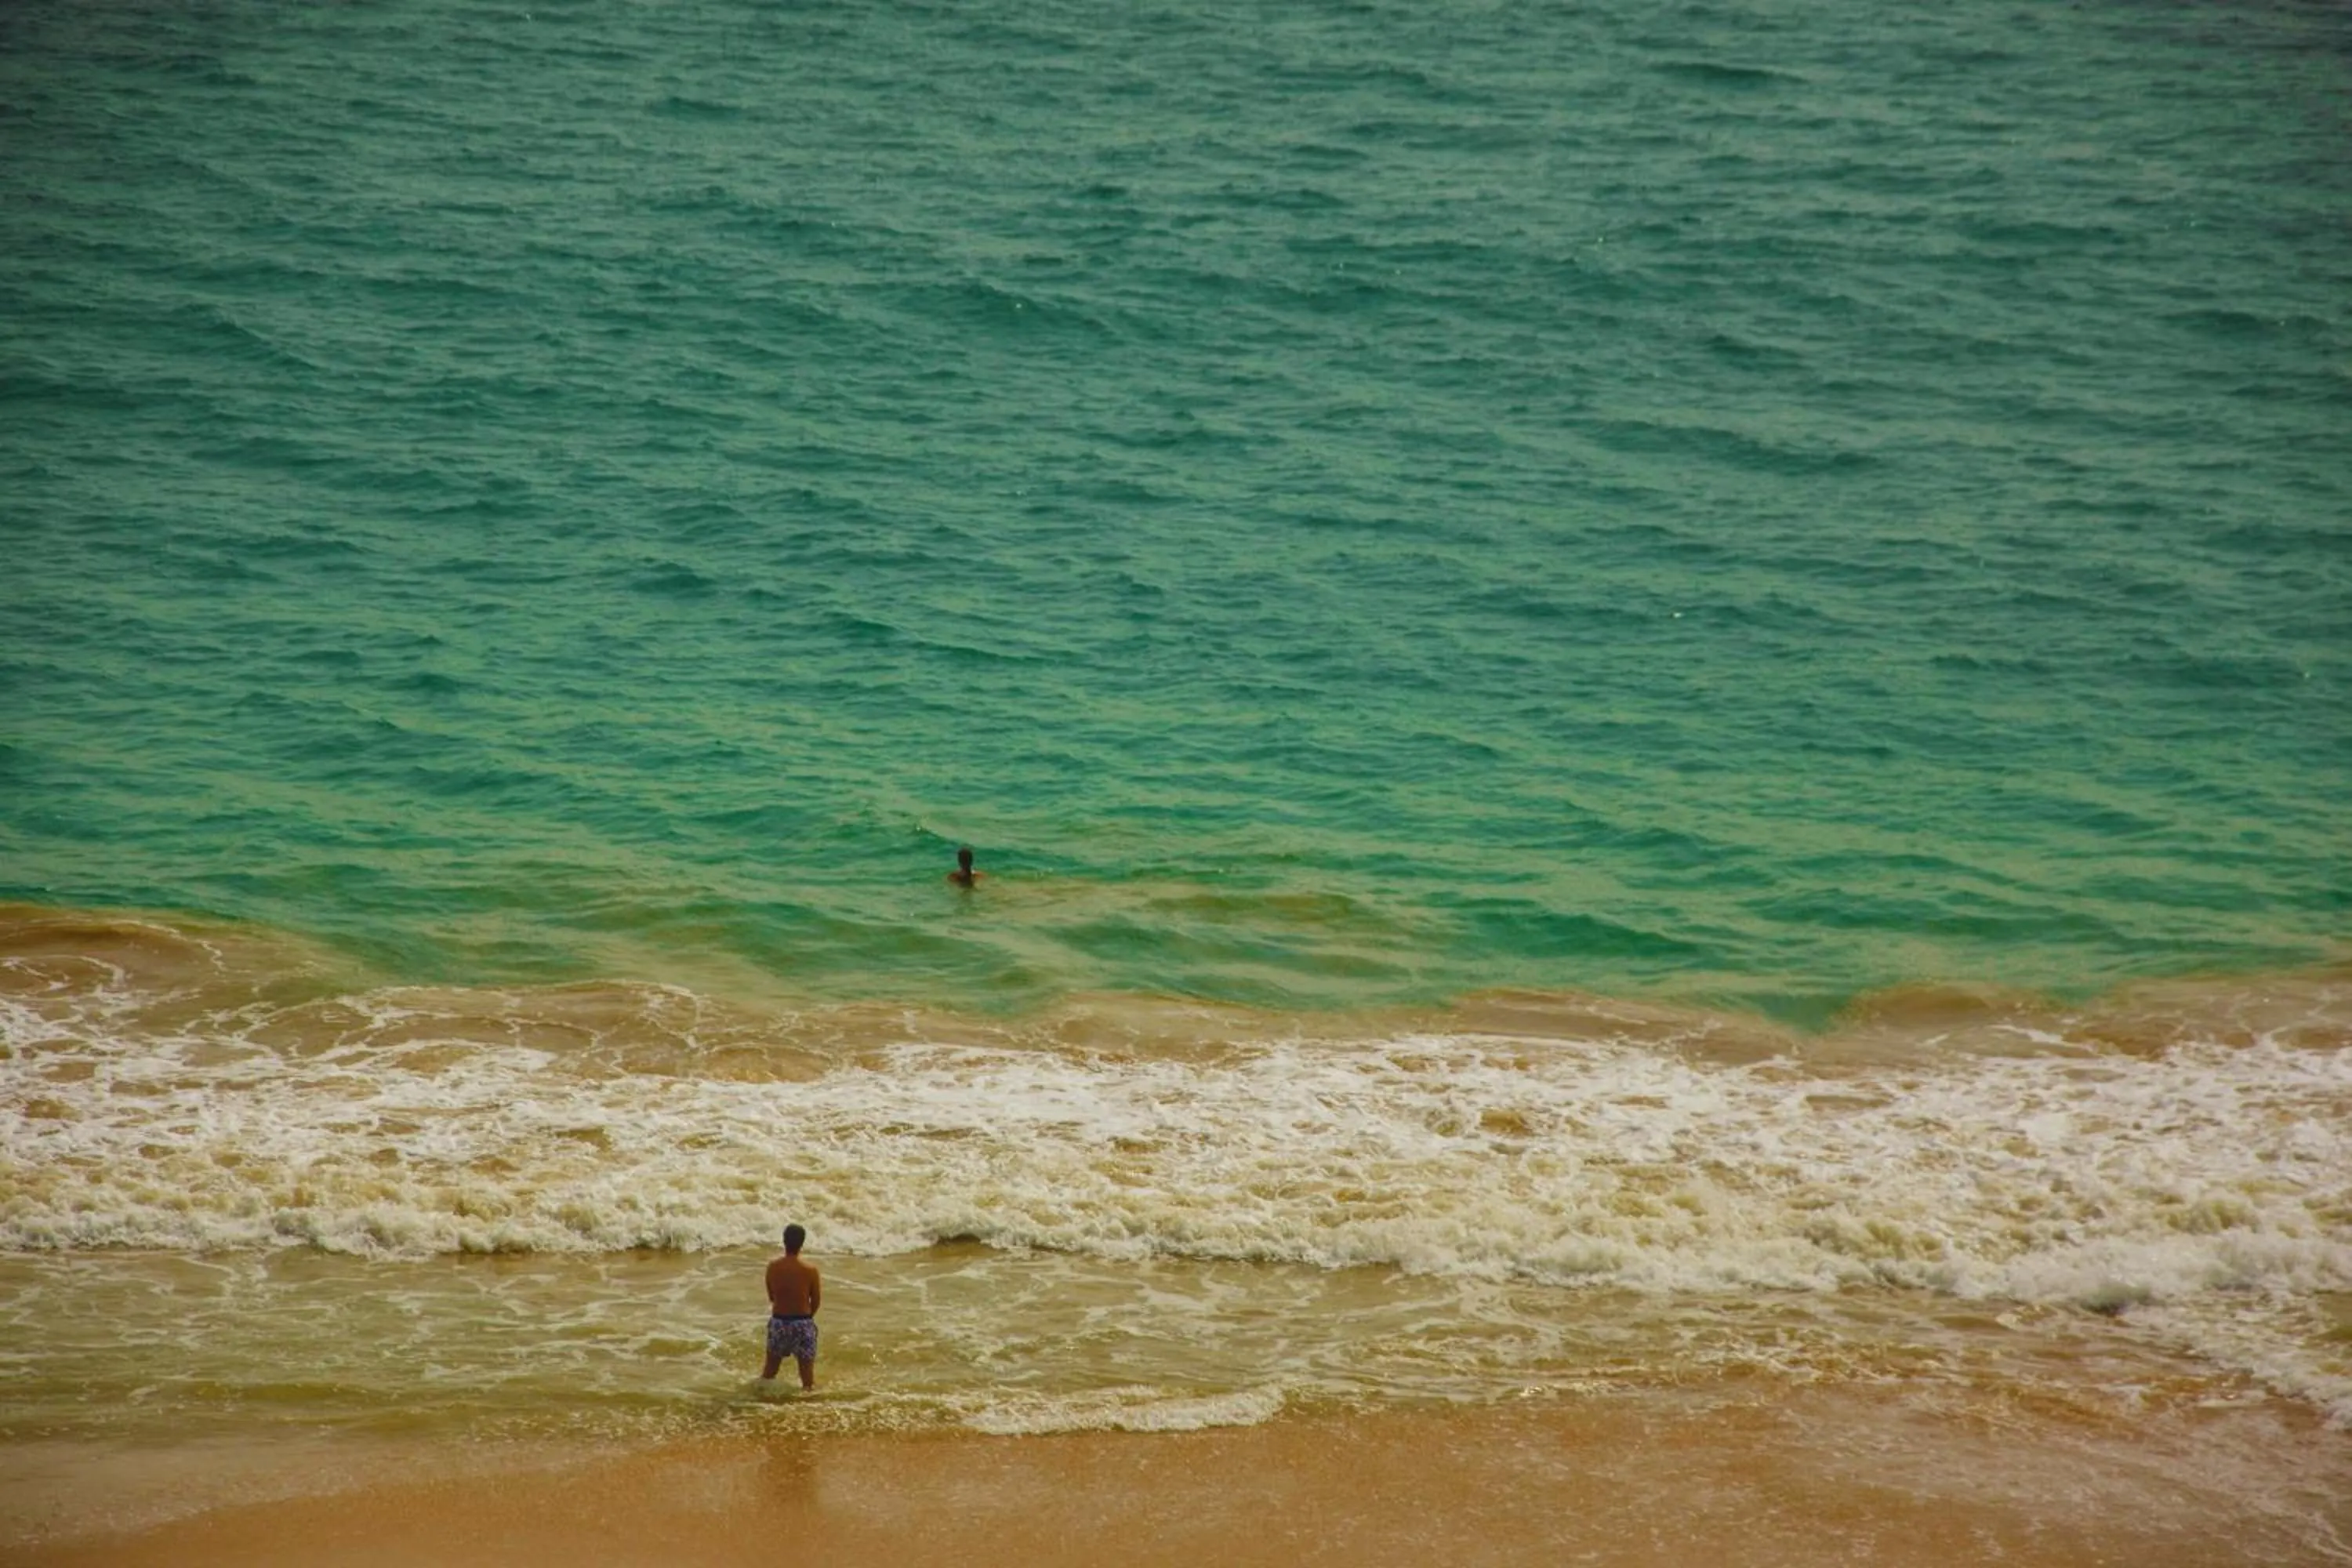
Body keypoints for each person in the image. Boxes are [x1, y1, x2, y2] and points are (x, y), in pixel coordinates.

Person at [761, 1223, 822, 1389]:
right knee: (807, 1379)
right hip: (802, 1322)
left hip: (779, 1322)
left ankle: (760, 1400)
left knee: (769, 1372)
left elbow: (772, 1297)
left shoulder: (773, 1267)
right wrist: (806, 1319)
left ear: (784, 1241)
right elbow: (816, 1302)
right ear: (802, 1243)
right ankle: (807, 1403)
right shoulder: (810, 1270)